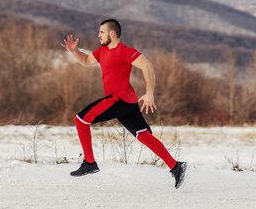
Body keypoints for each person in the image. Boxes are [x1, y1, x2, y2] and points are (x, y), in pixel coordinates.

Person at [61, 18, 187, 189]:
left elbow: (148, 67)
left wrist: (150, 93)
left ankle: (89, 162)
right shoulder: (102, 51)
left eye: (101, 32)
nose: (98, 35)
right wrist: (74, 51)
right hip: (127, 101)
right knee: (143, 135)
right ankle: (175, 166)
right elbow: (87, 61)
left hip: (119, 99)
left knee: (81, 119)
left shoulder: (125, 51)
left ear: (112, 34)